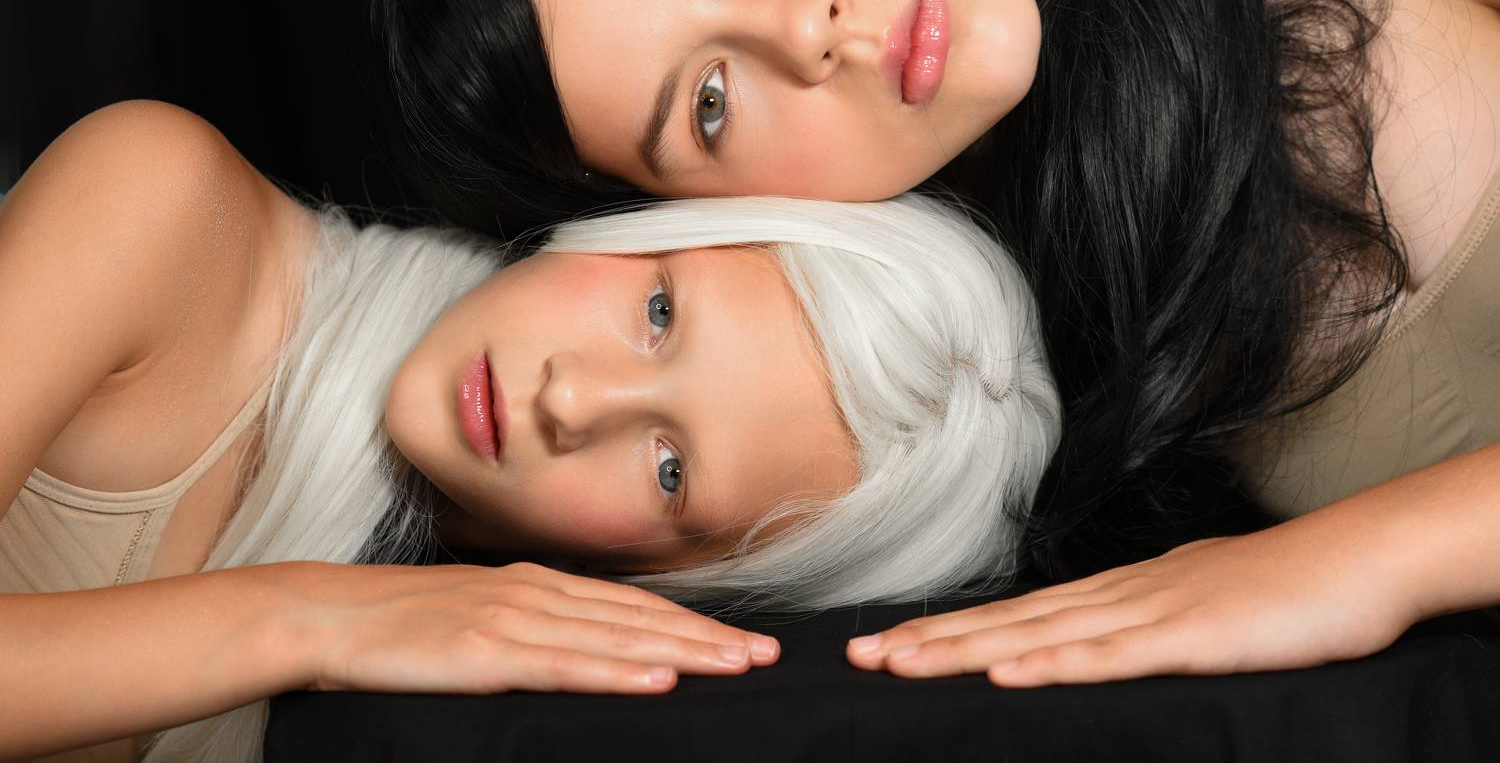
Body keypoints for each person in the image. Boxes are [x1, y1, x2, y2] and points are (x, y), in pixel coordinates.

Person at [362, 0, 1500, 686]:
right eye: (708, 103)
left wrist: (1364, 562)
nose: (805, 29)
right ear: (706, 212)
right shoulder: (915, 407)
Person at [0, 101, 1059, 762]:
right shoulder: (160, 202)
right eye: (659, 313)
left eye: (670, 470)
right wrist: (305, 620)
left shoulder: (451, 673)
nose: (572, 401)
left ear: (677, 575)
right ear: (643, 225)